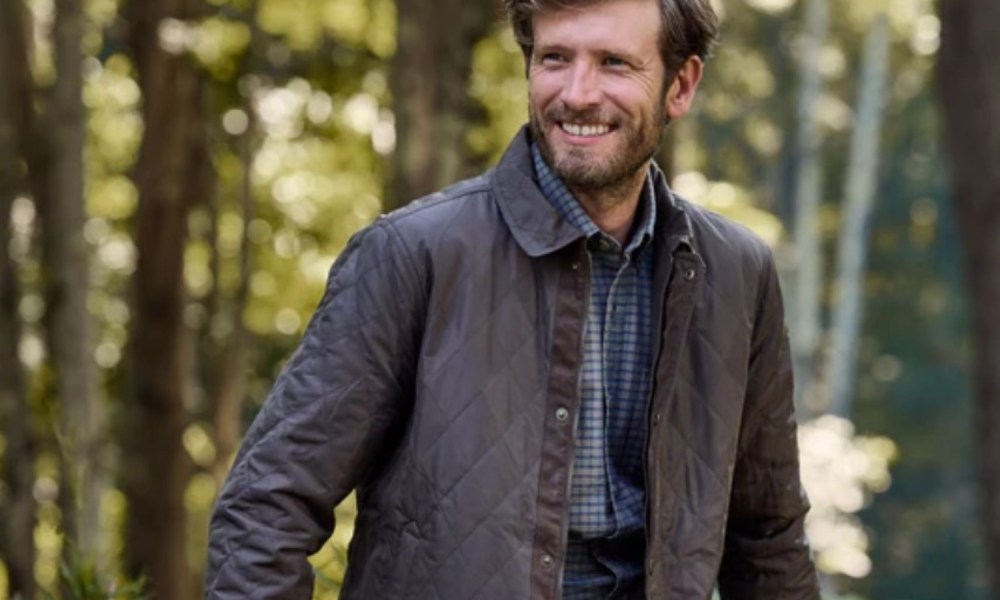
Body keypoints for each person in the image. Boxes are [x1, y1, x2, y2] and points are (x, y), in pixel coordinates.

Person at [205, 0, 821, 597]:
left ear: (681, 85)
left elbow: (767, 539)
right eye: (555, 58)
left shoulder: (737, 273)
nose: (578, 93)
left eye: (613, 62)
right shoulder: (410, 254)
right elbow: (266, 509)